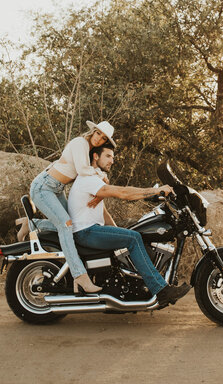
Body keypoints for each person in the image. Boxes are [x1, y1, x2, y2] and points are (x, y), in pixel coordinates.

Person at [68, 144, 191, 307]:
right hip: (86, 232)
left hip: (91, 230)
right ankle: (160, 290)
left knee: (130, 234)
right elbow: (123, 193)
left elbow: (103, 213)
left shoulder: (95, 179)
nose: (112, 160)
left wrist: (117, 231)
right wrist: (155, 191)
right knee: (133, 238)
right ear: (96, 157)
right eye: (108, 156)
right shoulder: (88, 179)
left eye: (113, 157)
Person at [19, 120, 116, 295]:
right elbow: (82, 170)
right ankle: (80, 276)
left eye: (103, 138)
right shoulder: (80, 143)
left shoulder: (88, 150)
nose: (99, 139)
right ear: (93, 131)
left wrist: (100, 181)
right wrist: (102, 177)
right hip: (44, 187)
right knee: (66, 224)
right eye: (98, 134)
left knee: (74, 224)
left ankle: (33, 224)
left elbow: (87, 172)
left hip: (56, 189)